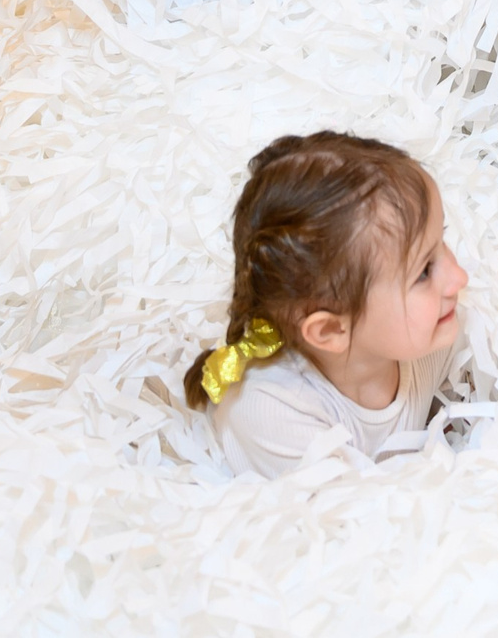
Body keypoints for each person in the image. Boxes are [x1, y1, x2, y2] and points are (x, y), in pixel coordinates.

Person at [185, 132, 467, 480]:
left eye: (442, 242)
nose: (458, 277)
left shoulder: (430, 333)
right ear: (332, 329)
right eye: (424, 271)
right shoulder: (275, 411)